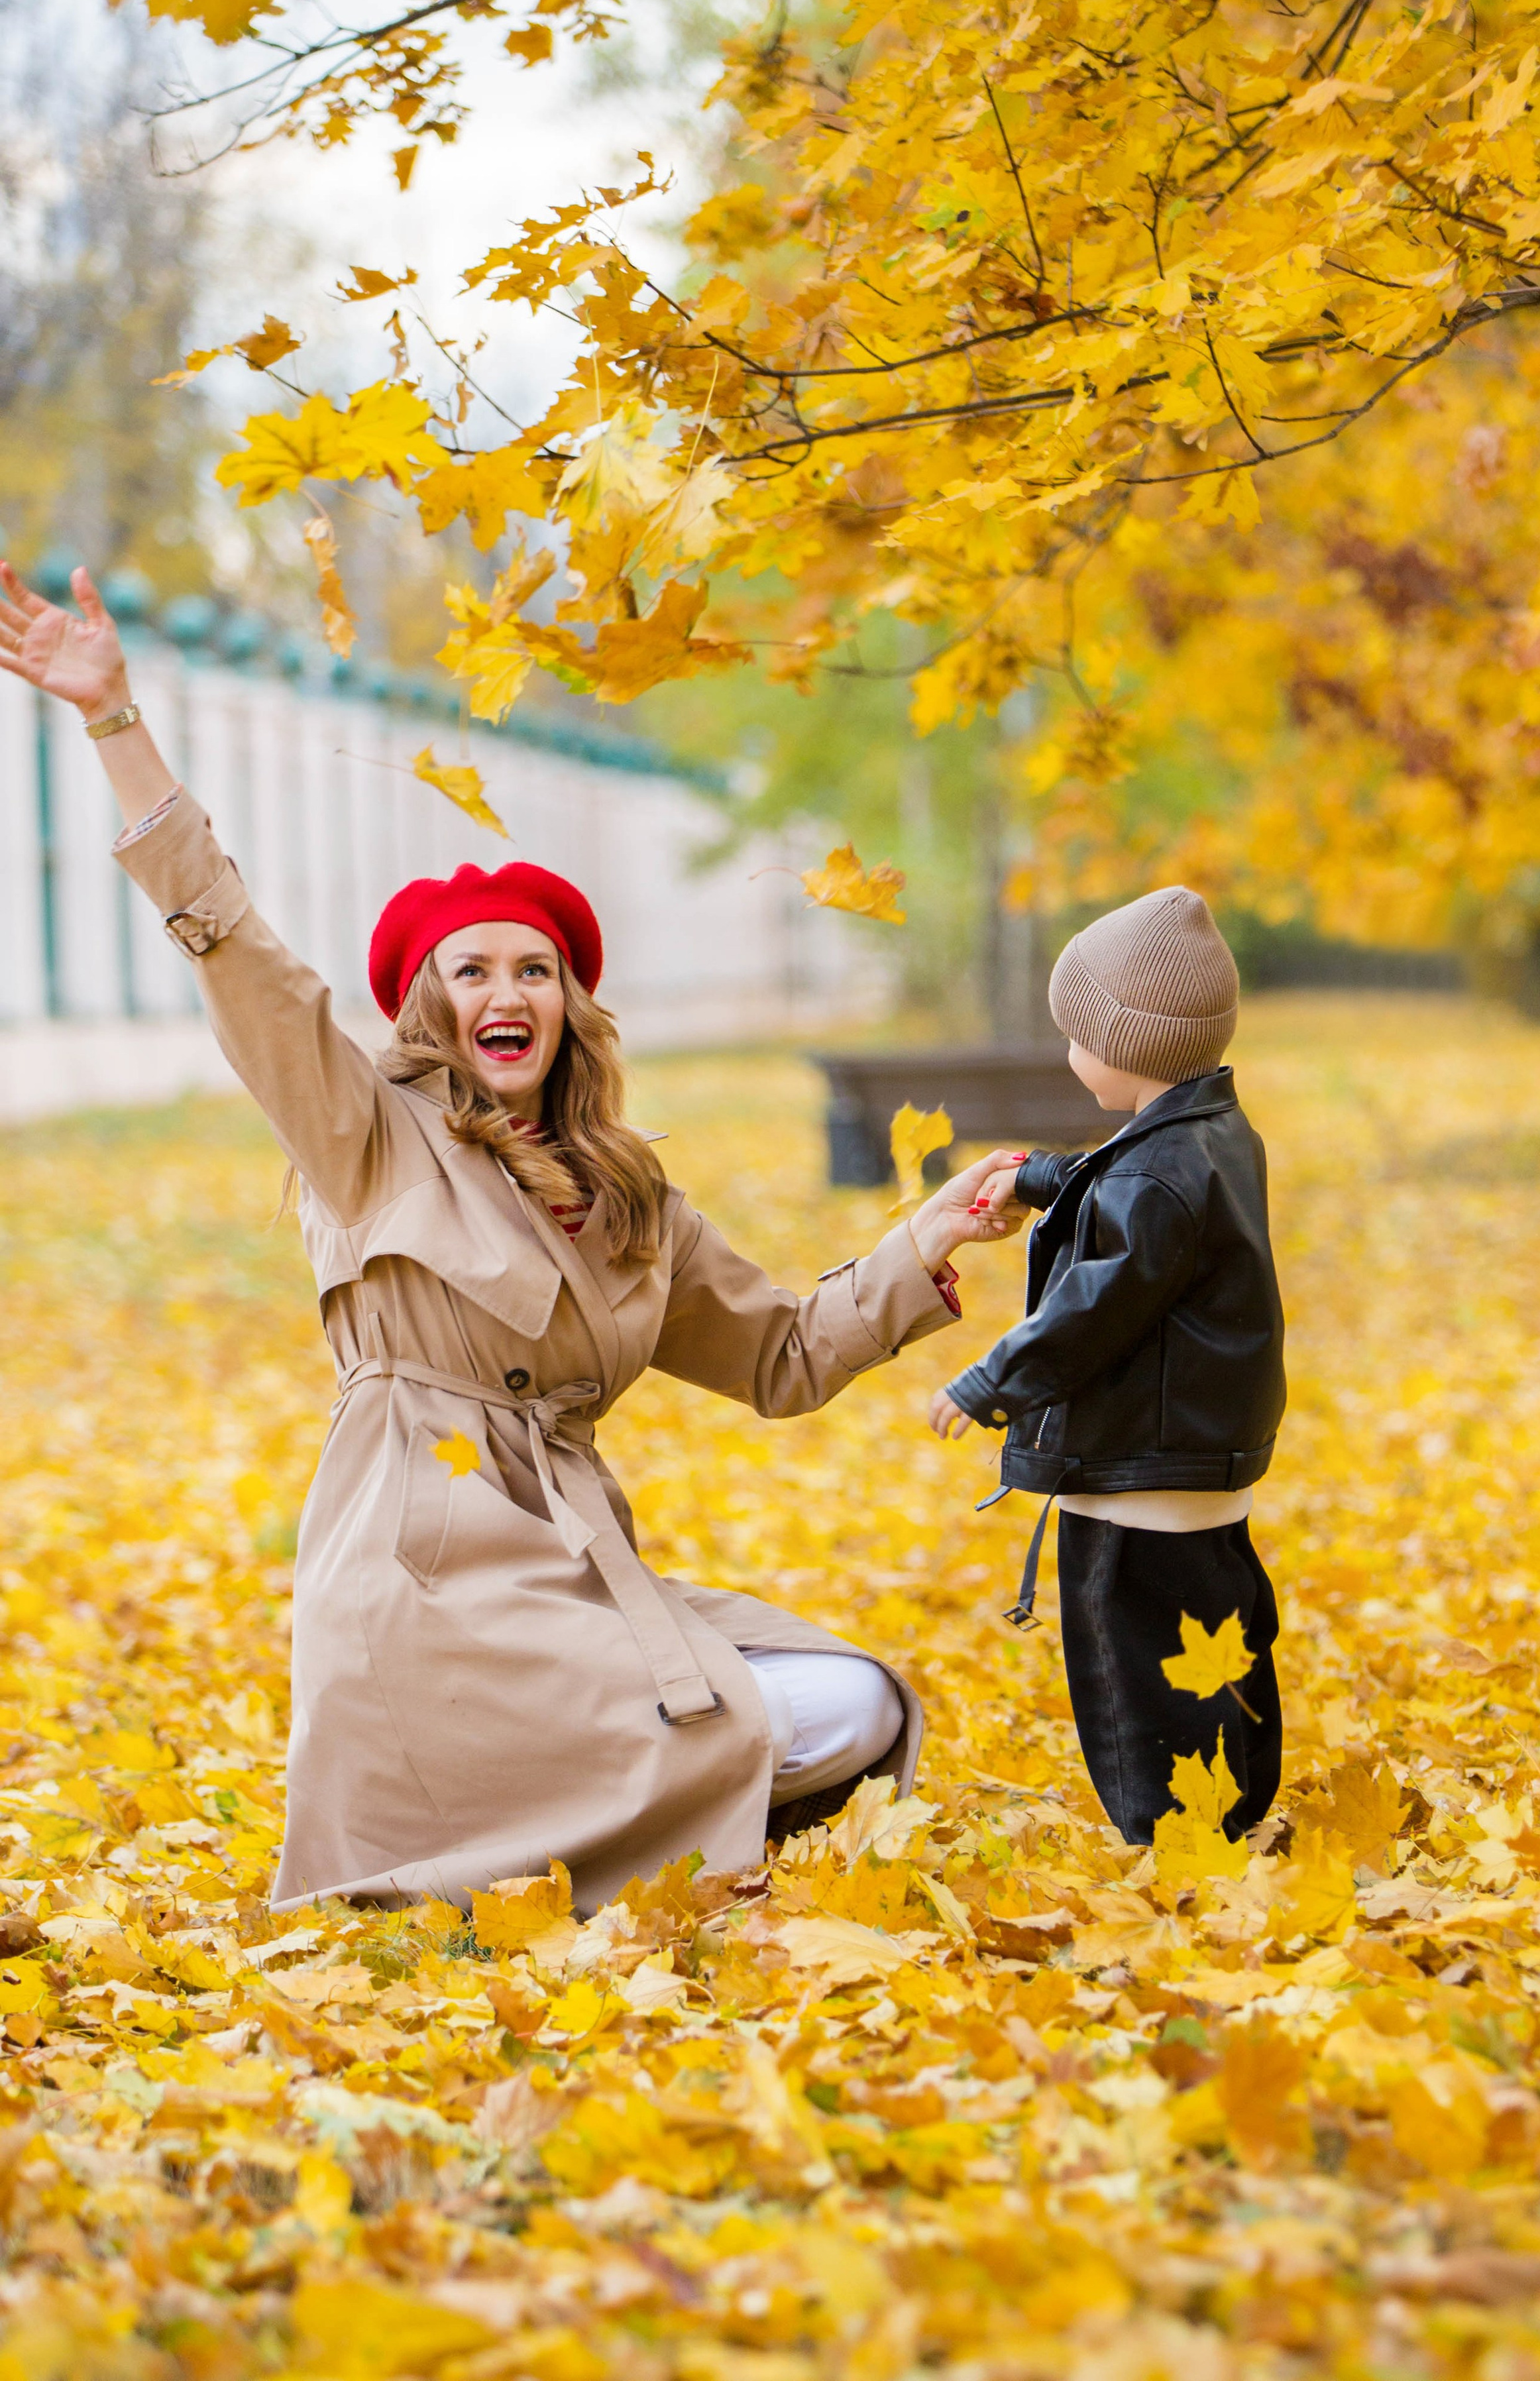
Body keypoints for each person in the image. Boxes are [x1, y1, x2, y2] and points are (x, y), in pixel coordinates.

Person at [0, 562, 1027, 1910]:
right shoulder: (364, 1132)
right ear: (432, 1008)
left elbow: (783, 1355)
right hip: (421, 1579)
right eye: (472, 971)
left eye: (531, 968)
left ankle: (582, 1858)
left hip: (569, 1566)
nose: (506, 991)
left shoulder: (627, 1196)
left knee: (854, 1703)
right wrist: (115, 720)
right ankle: (520, 1872)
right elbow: (237, 952)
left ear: (567, 1006)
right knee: (738, 1730)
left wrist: (925, 1235)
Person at [928, 888, 1286, 1846]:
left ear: (1126, 1044)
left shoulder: (1153, 1176)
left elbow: (1097, 1305)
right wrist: (1040, 1176)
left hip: (1138, 1468)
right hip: (1202, 1460)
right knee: (1219, 1642)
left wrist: (990, 1379)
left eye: (1077, 1035)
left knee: (1130, 1657)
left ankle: (1164, 1833)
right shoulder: (1213, 1134)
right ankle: (1234, 1809)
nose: (1070, 1053)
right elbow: (1130, 1178)